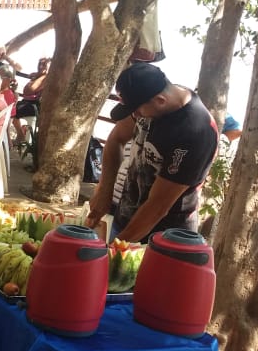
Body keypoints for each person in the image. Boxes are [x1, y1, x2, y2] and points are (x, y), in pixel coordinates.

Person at [86, 63, 219, 243]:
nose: (136, 115)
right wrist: (104, 190)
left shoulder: (194, 132)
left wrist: (112, 249)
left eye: (137, 110)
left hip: (163, 239)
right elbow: (116, 139)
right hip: (125, 219)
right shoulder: (157, 99)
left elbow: (157, 207)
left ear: (160, 100)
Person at [13, 57, 50, 143]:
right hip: (29, 102)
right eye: (39, 64)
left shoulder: (45, 78)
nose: (40, 66)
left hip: (36, 106)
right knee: (12, 108)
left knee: (13, 111)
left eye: (44, 64)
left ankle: (21, 135)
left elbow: (28, 91)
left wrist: (35, 77)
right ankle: (21, 134)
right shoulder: (39, 76)